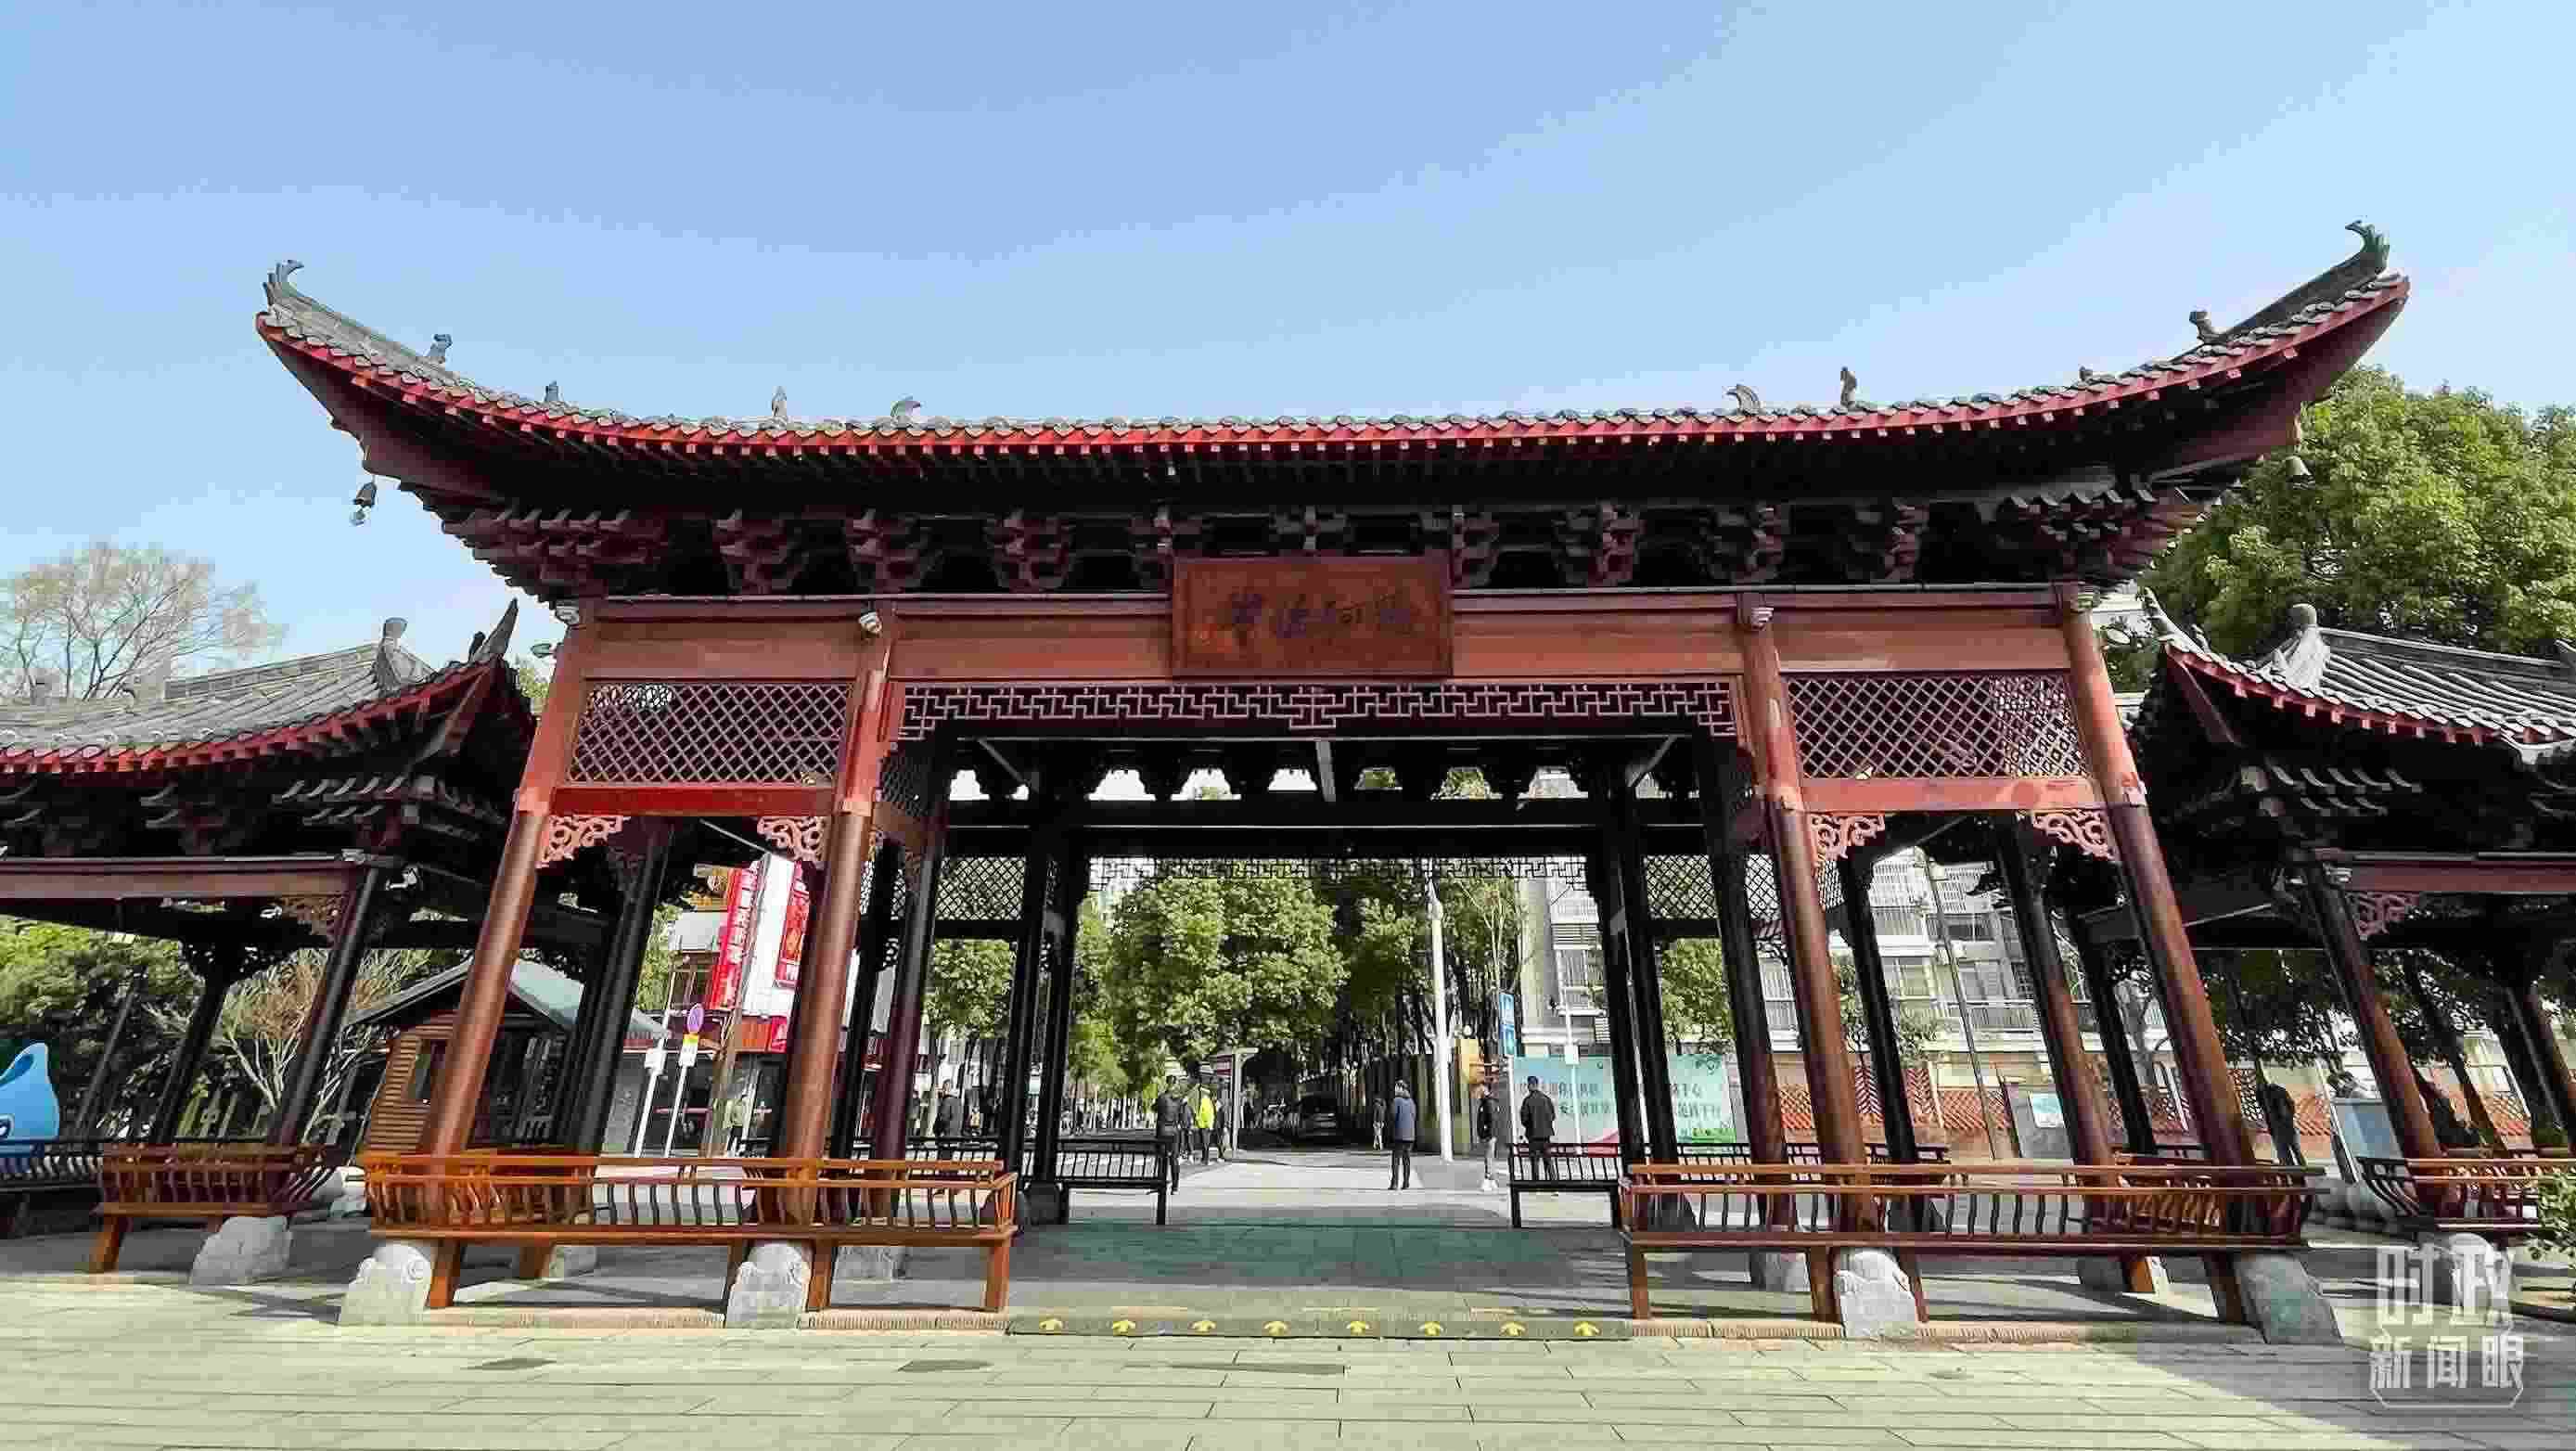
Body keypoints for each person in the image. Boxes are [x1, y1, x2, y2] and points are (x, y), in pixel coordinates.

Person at [1519, 1074, 1557, 1181]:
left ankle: (1536, 1184)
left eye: (1528, 1085)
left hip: (1533, 1135)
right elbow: (1552, 1116)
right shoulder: (1546, 1099)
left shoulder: (1527, 1101)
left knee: (1535, 1161)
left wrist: (1530, 1126)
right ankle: (1553, 1182)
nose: (1527, 1087)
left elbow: (1524, 1119)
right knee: (1548, 1160)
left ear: (1531, 1085)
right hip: (1546, 1136)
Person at [1153, 1074, 1185, 1189]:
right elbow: (1181, 1115)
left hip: (1162, 1130)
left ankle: (1161, 1183)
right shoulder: (1179, 1099)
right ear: (1175, 1083)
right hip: (1174, 1131)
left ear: (1167, 1083)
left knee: (1162, 1158)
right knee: (1174, 1159)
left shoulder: (1162, 1098)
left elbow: (1154, 1108)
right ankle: (1175, 1186)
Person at [1386, 1082, 1417, 1189]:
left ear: (1401, 1088)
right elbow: (1414, 1116)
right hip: (1410, 1136)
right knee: (1407, 1160)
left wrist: (1392, 1128)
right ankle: (1406, 1183)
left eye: (1396, 1087)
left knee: (1396, 1160)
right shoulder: (1411, 1102)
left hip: (1399, 1135)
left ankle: (1395, 1183)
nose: (1395, 1089)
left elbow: (1393, 1115)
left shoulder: (1396, 1100)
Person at [1473, 1084, 1499, 1191]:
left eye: (1479, 1088)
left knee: (1488, 1157)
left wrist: (1490, 1134)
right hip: (1487, 1135)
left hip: (1489, 1135)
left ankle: (1487, 1180)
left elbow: (1492, 1120)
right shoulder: (1485, 1102)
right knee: (1489, 1158)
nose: (1477, 1090)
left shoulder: (1489, 1102)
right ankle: (1492, 1181)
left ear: (1485, 1088)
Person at [719, 1088, 753, 1156]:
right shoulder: (737, 1106)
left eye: (746, 1099)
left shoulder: (745, 1107)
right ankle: (728, 1150)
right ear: (742, 1099)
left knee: (739, 1139)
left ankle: (737, 1151)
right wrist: (735, 1121)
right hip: (736, 1125)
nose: (746, 1100)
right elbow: (732, 1115)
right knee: (732, 1138)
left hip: (741, 1125)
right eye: (745, 1099)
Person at [1194, 1084, 1218, 1163]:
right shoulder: (1206, 1101)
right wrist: (1208, 1124)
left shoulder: (1205, 1101)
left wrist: (1199, 1120)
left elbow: (1205, 1113)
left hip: (1204, 1125)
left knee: (1205, 1143)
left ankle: (1205, 1159)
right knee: (1206, 1143)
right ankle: (1205, 1159)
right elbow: (1207, 1114)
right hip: (1206, 1125)